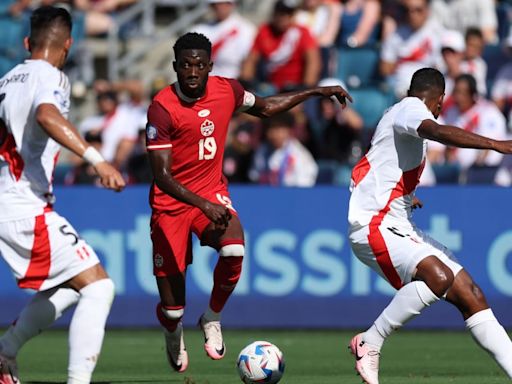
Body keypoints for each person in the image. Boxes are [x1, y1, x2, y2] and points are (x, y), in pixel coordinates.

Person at [146, 31, 351, 373]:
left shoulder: (227, 90)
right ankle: (173, 330)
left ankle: (212, 317)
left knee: (234, 249)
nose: (193, 72)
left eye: (199, 65)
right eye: (185, 65)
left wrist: (315, 91)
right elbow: (162, 177)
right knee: (172, 308)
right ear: (175, 67)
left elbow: (268, 107)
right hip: (171, 204)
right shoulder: (162, 108)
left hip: (210, 193)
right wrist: (202, 204)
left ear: (210, 66)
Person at [347, 67, 512, 384]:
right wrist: (495, 144)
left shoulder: (401, 112)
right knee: (439, 276)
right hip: (374, 223)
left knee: (471, 294)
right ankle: (371, 341)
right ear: (440, 99)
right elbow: (433, 132)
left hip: (394, 219)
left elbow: (380, 165)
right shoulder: (412, 109)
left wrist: (408, 196)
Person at [0, 5, 125, 384]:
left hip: (12, 199)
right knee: (100, 287)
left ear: (26, 42)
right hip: (23, 204)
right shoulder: (52, 76)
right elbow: (47, 116)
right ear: (68, 44)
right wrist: (98, 161)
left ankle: (4, 355)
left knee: (71, 287)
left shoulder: (7, 79)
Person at [249, 111, 318, 186]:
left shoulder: (299, 154)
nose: (274, 134)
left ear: (288, 130)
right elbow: (254, 177)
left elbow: (305, 184)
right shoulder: (262, 151)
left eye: (279, 130)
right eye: (271, 130)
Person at [191, 0, 256, 79]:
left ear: (231, 4)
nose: (219, 7)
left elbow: (248, 67)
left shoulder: (246, 29)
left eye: (223, 4)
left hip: (233, 82)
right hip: (204, 82)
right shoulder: (199, 30)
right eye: (215, 5)